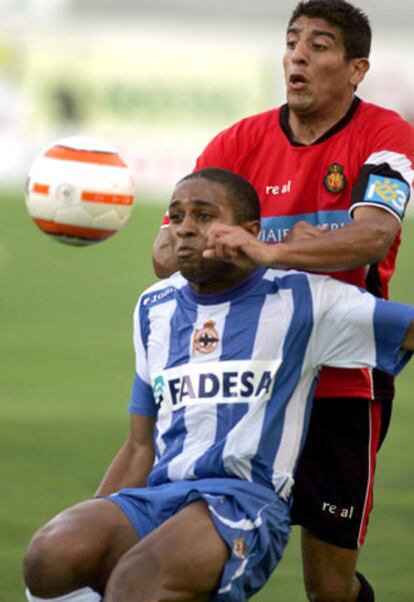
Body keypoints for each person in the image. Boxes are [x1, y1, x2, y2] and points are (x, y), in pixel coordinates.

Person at [23, 168, 414, 602]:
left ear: (250, 231)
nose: (186, 228)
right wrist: (99, 519)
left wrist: (275, 255)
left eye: (204, 216)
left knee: (137, 584)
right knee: (51, 556)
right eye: (176, 216)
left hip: (243, 504)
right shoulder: (155, 307)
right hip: (160, 498)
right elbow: (139, 446)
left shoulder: (305, 297)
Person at [151, 2, 414, 601]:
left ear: (356, 69)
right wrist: (238, 244)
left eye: (319, 46)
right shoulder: (236, 142)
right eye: (292, 41)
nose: (297, 54)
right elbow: (167, 254)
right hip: (245, 379)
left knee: (327, 587)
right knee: (185, 560)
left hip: (342, 377)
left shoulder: (385, 135)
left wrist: (264, 250)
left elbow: (374, 233)